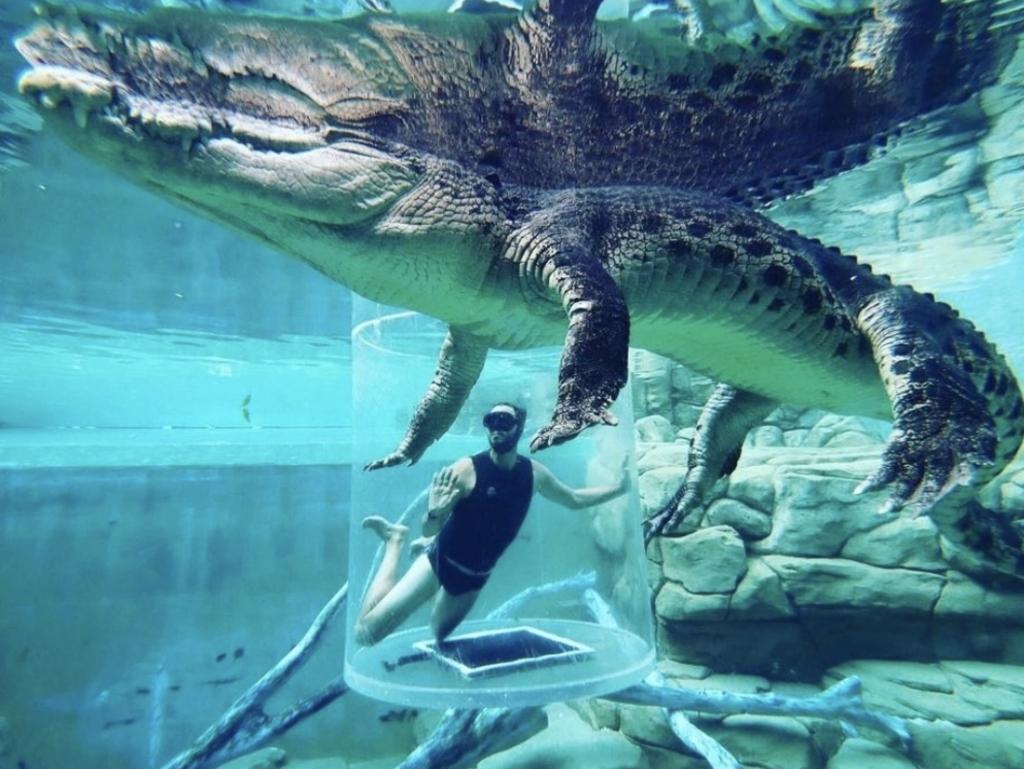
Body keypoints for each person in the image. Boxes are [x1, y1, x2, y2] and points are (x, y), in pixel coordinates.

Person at [356, 402, 629, 646]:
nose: (496, 428)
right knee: (366, 634)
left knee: (438, 633)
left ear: (519, 428)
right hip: (440, 560)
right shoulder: (466, 470)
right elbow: (428, 527)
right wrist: (435, 513)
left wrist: (618, 489)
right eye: (491, 422)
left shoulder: (534, 475)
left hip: (474, 577)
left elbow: (573, 499)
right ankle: (395, 540)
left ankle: (426, 568)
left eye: (504, 422)